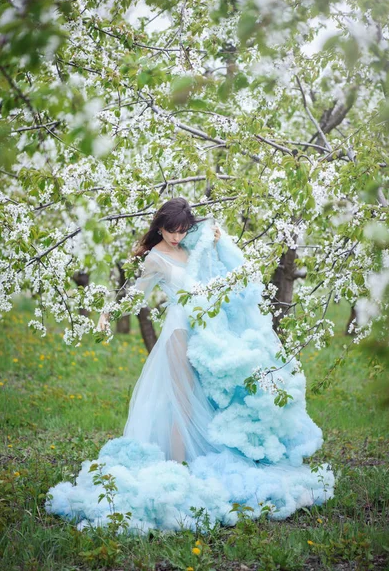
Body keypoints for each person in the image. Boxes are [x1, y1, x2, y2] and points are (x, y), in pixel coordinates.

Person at [46, 197, 335, 534]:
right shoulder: (156, 258)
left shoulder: (192, 247)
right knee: (181, 402)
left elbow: (219, 275)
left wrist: (214, 243)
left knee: (201, 401)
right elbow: (136, 294)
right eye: (170, 230)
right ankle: (176, 470)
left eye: (182, 230)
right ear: (160, 227)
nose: (176, 237)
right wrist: (107, 313)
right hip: (179, 335)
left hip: (206, 336)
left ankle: (185, 464)